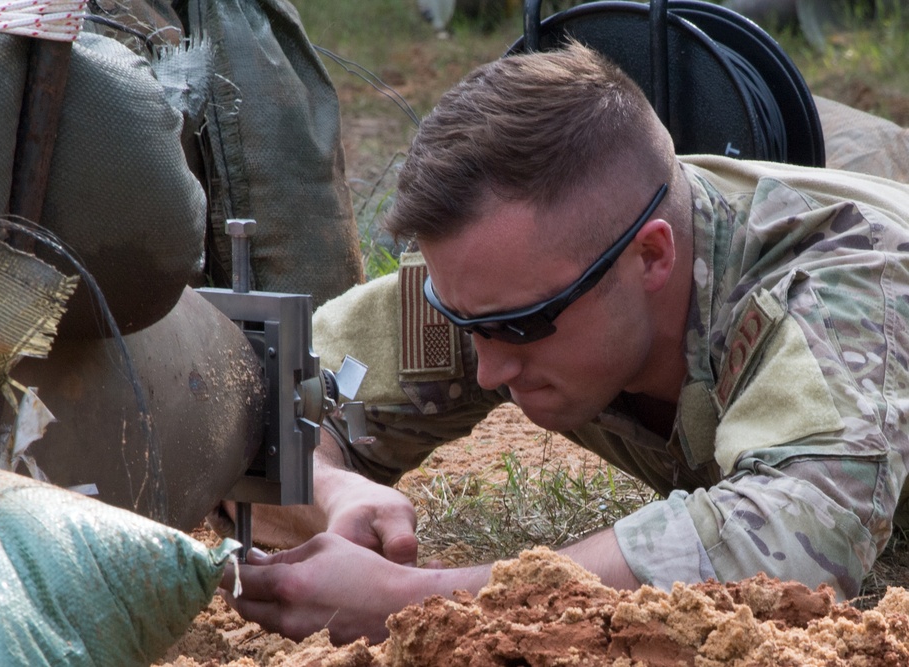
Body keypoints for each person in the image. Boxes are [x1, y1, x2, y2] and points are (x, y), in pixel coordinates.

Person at [221, 39, 909, 645]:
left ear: (651, 257)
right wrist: (332, 489)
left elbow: (793, 544)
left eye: (520, 327)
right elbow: (258, 387)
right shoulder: (521, 275)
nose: (489, 368)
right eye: (466, 323)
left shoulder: (839, 281)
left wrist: (418, 600)